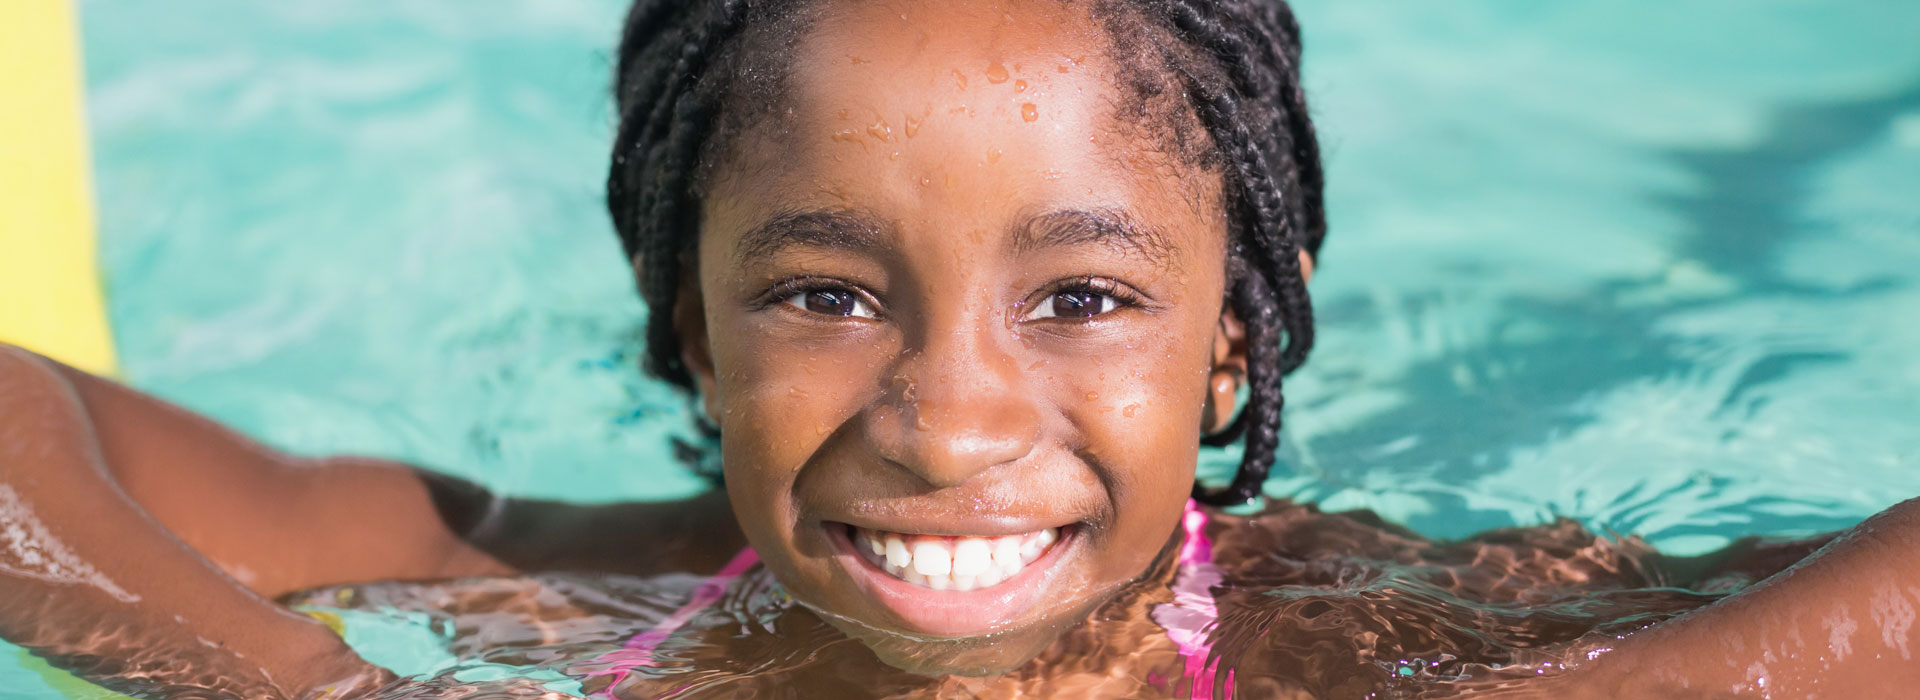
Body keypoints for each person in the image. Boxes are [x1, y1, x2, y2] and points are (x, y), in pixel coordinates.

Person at [2, 0, 1916, 697]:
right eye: (826, 294)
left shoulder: (1344, 641)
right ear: (689, 323)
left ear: (1236, 343)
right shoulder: (572, 604)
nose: (952, 421)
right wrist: (313, 693)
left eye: (1082, 299)